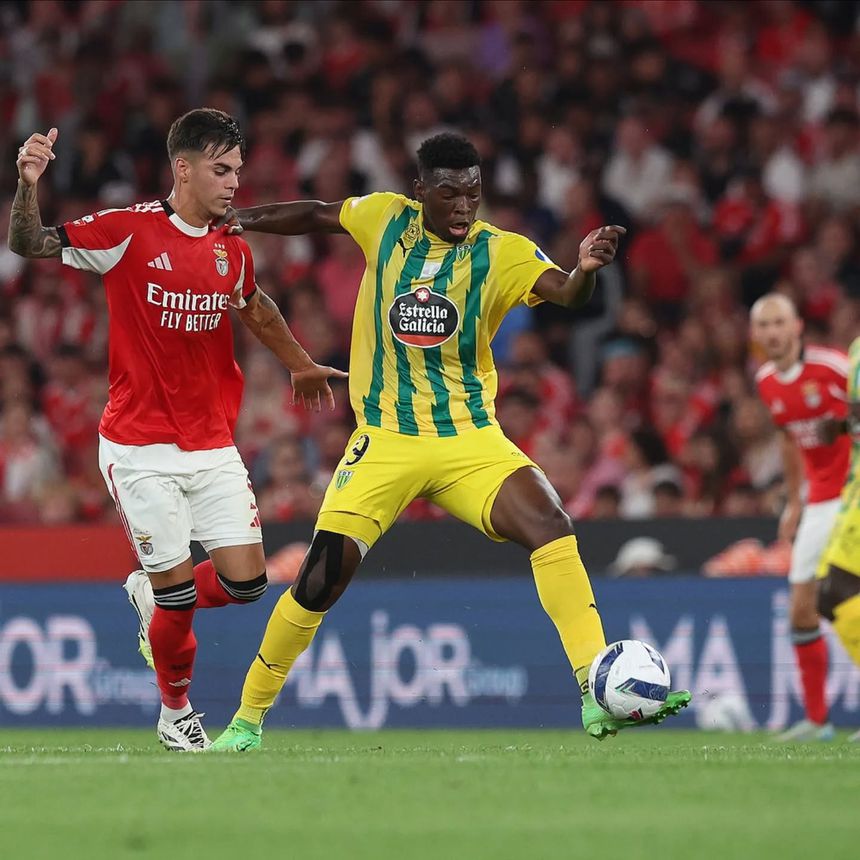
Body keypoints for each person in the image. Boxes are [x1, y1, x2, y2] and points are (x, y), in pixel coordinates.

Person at [208, 132, 691, 751]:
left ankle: (595, 691)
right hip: (385, 439)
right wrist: (243, 217)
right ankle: (247, 718)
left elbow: (566, 292)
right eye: (450, 193)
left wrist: (587, 270)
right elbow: (317, 215)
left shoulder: (503, 251)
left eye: (473, 192)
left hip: (469, 438)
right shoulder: (384, 218)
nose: (465, 205)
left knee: (550, 522)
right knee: (320, 579)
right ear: (420, 193)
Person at [9, 110, 346, 751]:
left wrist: (299, 362)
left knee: (248, 582)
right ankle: (175, 712)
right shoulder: (126, 232)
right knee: (180, 592)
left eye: (238, 171)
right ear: (183, 167)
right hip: (138, 448)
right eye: (222, 170)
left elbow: (257, 304)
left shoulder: (230, 247)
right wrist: (28, 182)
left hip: (212, 443)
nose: (233, 184)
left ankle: (150, 596)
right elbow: (30, 243)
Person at [751, 293, 850, 741]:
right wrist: (794, 501)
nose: (772, 332)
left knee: (843, 595)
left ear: (798, 327)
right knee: (803, 608)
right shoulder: (767, 382)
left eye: (779, 323)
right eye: (764, 325)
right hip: (820, 498)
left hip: (854, 492)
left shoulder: (835, 369)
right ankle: (817, 721)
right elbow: (790, 441)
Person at [817, 334, 860, 743]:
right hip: (855, 488)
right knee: (831, 593)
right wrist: (843, 424)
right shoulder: (856, 351)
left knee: (834, 591)